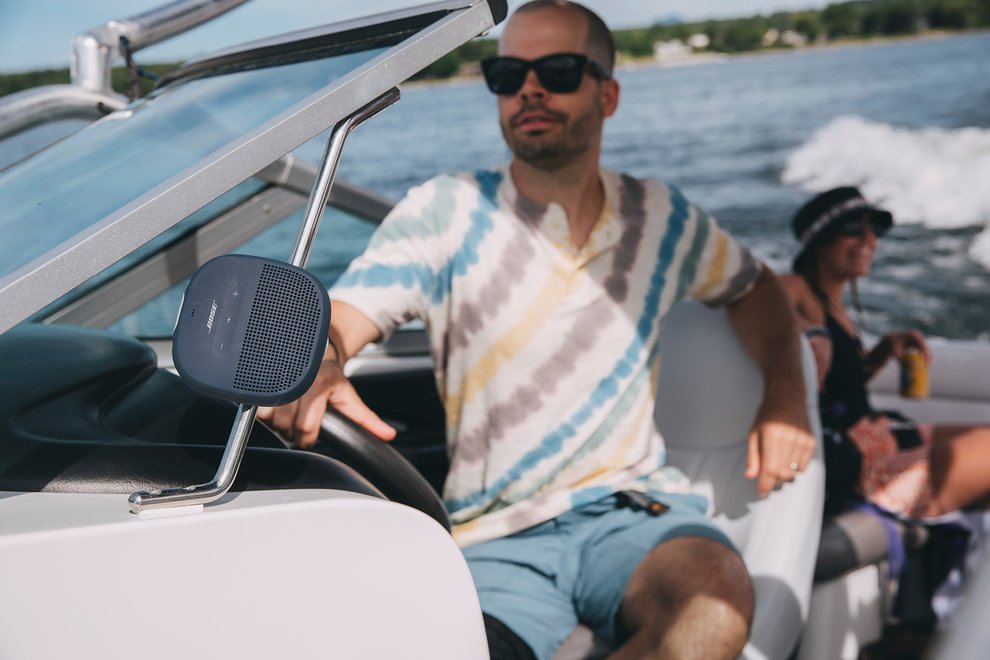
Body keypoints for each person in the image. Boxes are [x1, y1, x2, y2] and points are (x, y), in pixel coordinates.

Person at [260, 2, 815, 658]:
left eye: (557, 71)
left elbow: (755, 288)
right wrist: (315, 359)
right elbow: (341, 321)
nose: (529, 89)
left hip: (633, 512)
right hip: (494, 538)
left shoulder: (661, 216)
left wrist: (786, 399)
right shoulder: (447, 211)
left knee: (714, 606)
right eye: (507, 75)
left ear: (608, 95)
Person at [780, 186, 990, 520]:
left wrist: (880, 354)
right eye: (853, 229)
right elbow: (763, 296)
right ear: (819, 240)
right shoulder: (799, 291)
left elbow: (839, 390)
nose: (869, 240)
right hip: (865, 470)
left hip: (879, 436)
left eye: (874, 229)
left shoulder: (834, 307)